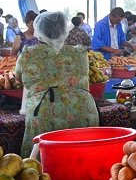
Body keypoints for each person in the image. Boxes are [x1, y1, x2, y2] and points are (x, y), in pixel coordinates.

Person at [15, 12, 99, 156]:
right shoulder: (80, 53)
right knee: (82, 159)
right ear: (64, 30)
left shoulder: (29, 54)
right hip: (83, 109)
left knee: (43, 167)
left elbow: (18, 78)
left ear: (38, 30)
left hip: (46, 111)